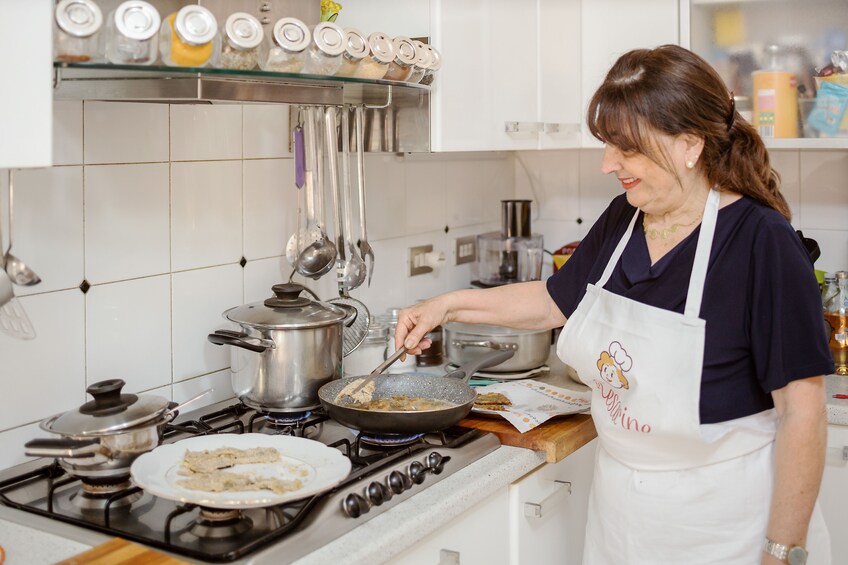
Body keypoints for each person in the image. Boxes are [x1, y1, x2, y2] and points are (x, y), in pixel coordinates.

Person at [394, 44, 834, 565]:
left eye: (625, 148)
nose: (608, 164)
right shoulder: (624, 220)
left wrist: (781, 551)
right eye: (607, 145)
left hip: (727, 524)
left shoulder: (762, 240)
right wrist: (446, 305)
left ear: (690, 144)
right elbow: (553, 301)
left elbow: (803, 411)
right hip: (622, 519)